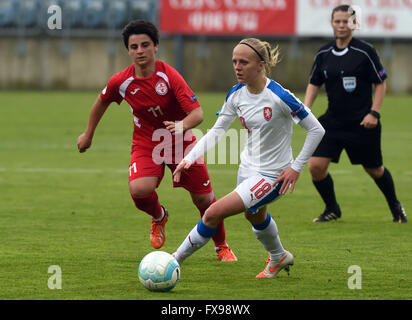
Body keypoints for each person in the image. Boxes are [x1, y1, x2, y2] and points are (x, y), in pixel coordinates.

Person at [77, 19, 237, 261]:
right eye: (134, 47)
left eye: (145, 45)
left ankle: (221, 246)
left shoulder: (170, 76)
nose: (140, 51)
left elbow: (198, 113)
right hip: (146, 143)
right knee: (139, 190)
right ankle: (159, 216)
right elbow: (102, 101)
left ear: (156, 46)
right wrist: (88, 134)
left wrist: (182, 125)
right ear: (128, 50)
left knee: (204, 199)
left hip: (180, 142)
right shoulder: (121, 81)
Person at [172, 38, 325, 278]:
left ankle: (173, 261)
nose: (237, 66)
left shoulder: (279, 96)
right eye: (234, 61)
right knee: (254, 215)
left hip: (273, 175)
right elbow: (217, 130)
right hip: (247, 169)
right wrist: (189, 158)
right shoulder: (236, 94)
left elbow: (317, 129)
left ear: (260, 65)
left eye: (244, 62)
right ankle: (279, 257)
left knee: (212, 213)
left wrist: (295, 167)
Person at [305, 5, 407, 223]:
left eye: (346, 21)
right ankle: (332, 208)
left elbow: (380, 83)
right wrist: (305, 109)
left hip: (362, 122)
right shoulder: (323, 53)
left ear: (355, 24)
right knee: (315, 166)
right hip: (333, 121)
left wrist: (374, 113)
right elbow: (314, 83)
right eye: (338, 21)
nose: (342, 25)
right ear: (332, 23)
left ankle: (396, 207)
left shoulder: (365, 51)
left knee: (375, 170)